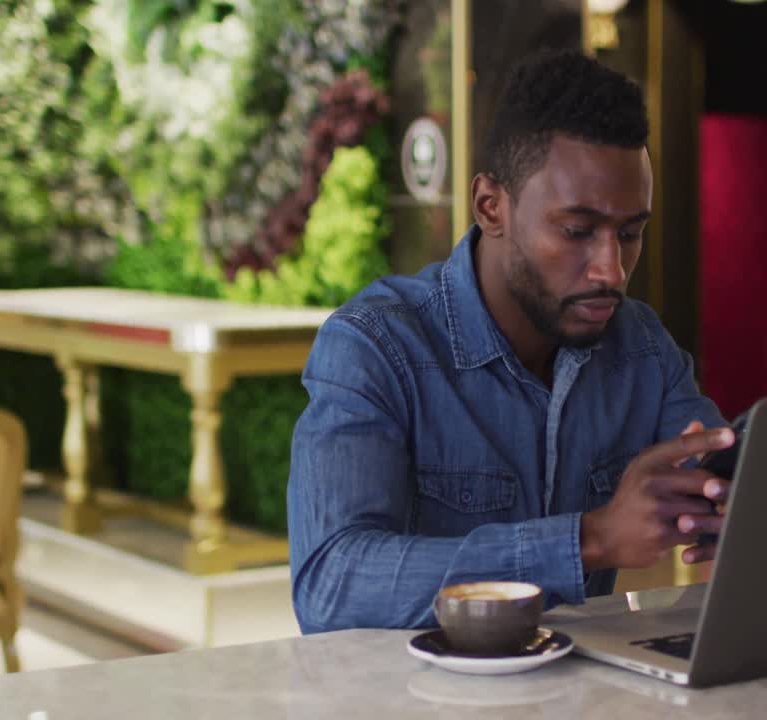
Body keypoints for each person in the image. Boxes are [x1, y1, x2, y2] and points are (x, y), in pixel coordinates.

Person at [288, 49, 734, 634]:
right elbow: (331, 585)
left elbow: (710, 465)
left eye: (630, 234)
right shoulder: (374, 346)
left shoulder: (641, 346)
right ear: (490, 205)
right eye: (577, 231)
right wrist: (590, 538)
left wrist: (725, 501)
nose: (611, 269)